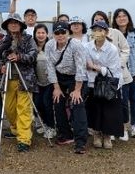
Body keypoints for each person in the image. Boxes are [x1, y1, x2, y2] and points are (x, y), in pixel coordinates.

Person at [0, 16, 38, 152]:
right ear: (7, 25)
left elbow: (33, 55)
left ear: (21, 25)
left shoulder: (29, 39)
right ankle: (16, 129)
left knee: (23, 109)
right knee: (10, 109)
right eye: (11, 23)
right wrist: (1, 67)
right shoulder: (4, 40)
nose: (13, 25)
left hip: (25, 79)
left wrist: (19, 57)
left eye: (16, 23)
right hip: (8, 79)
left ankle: (24, 139)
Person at [81, 20, 126, 150]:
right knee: (95, 109)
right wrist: (97, 68)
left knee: (109, 111)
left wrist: (95, 67)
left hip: (110, 84)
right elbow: (85, 65)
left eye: (100, 30)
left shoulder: (112, 49)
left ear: (106, 32)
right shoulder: (87, 47)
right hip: (92, 83)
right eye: (95, 30)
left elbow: (112, 70)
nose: (97, 33)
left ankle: (107, 136)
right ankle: (96, 134)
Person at [49, 20, 91, 154]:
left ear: (68, 32)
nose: (60, 35)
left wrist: (77, 90)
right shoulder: (49, 45)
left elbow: (81, 68)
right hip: (59, 77)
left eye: (63, 32)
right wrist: (56, 87)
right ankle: (65, 134)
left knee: (77, 103)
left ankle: (81, 141)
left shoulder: (76, 45)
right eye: (57, 32)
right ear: (53, 34)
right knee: (57, 101)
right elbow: (49, 67)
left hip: (76, 77)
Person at [113, 7, 135, 140]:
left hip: (133, 72)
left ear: (128, 18)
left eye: (124, 16)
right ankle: (122, 126)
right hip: (119, 73)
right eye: (119, 16)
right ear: (115, 19)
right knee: (122, 101)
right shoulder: (112, 33)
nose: (121, 18)